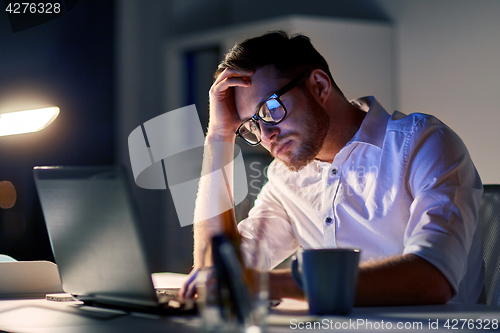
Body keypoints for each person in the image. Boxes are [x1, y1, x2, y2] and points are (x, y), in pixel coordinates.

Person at [180, 31, 484, 306]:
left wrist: (267, 284)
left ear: (319, 86)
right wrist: (219, 136)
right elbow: (218, 271)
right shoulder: (285, 178)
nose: (265, 136)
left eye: (270, 110)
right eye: (252, 126)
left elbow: (432, 279)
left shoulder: (423, 143)